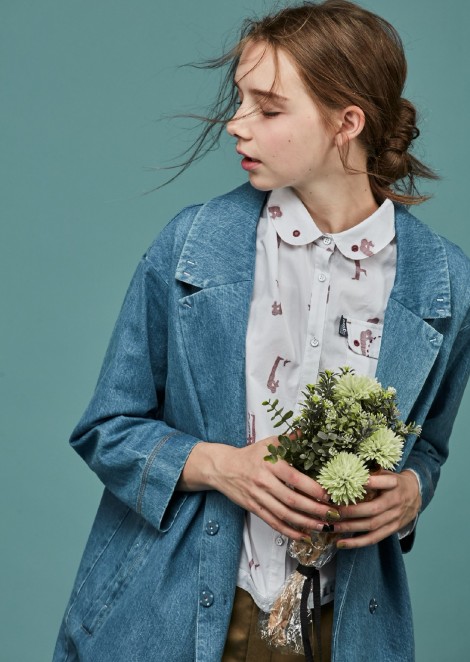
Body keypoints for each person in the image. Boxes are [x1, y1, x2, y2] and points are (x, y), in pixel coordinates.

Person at [53, 1, 470, 661]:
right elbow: (107, 428)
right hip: (176, 615)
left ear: (347, 123)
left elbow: (428, 447)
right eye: (240, 100)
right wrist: (227, 468)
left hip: (345, 628)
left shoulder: (443, 283)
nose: (235, 123)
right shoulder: (192, 246)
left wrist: (412, 493)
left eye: (268, 109)